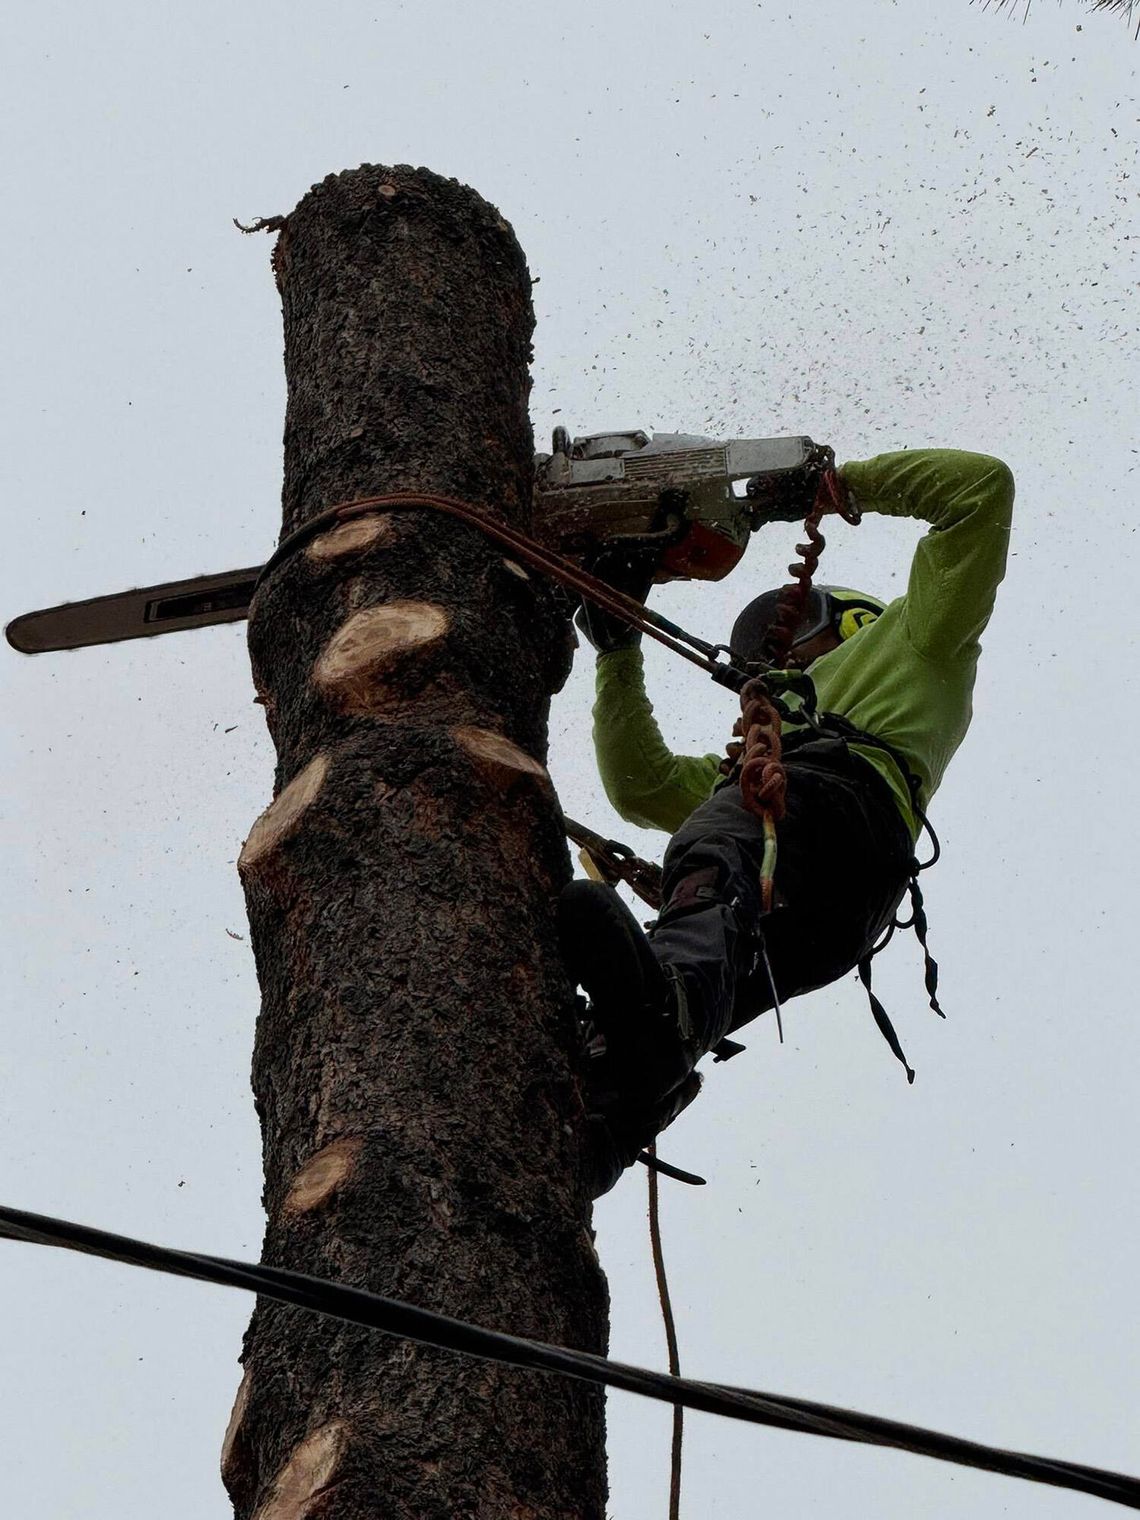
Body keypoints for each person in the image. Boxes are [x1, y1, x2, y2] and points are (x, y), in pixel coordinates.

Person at [558, 448, 1015, 1196]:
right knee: (714, 960)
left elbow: (980, 491)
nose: (771, 657)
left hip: (843, 810)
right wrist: (618, 654)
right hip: (829, 918)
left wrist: (835, 487)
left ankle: (662, 1025)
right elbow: (642, 787)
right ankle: (606, 1120)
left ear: (849, 619)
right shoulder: (763, 756)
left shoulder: (916, 638)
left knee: (714, 854)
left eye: (792, 629)